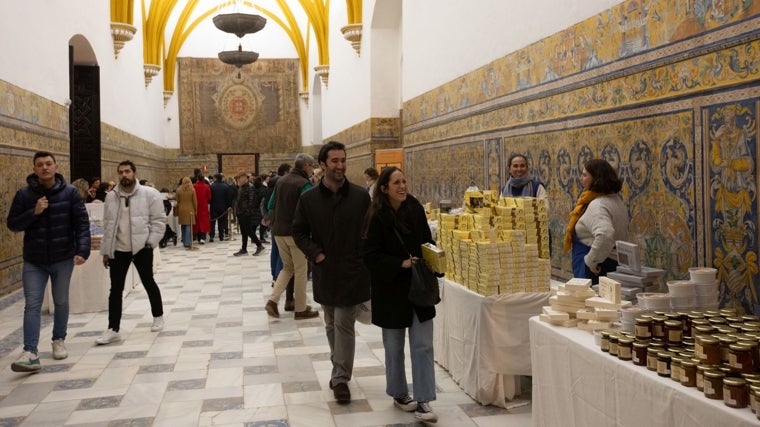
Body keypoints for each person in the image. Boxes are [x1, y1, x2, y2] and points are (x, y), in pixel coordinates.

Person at [292, 141, 371, 404]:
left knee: (343, 323)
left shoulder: (360, 196)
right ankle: (338, 366)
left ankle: (340, 379)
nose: (340, 166)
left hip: (352, 271)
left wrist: (361, 258)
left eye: (343, 160)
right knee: (329, 323)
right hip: (325, 270)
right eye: (335, 161)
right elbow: (299, 232)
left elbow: (369, 231)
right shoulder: (309, 199)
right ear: (322, 165)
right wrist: (316, 254)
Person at [362, 166, 439, 422]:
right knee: (394, 346)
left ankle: (424, 400)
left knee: (423, 345)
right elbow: (370, 256)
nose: (402, 186)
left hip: (419, 288)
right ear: (385, 188)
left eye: (404, 181)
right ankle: (399, 392)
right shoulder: (375, 216)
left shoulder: (415, 209)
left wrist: (434, 259)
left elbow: (427, 241)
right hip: (390, 290)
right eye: (397, 183)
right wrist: (399, 264)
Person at [6, 151, 91, 372]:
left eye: (48, 164)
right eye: (40, 165)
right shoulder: (24, 195)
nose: (45, 168)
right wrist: (33, 212)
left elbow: (82, 224)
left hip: (63, 257)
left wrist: (83, 250)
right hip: (34, 260)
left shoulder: (71, 193)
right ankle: (30, 352)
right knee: (32, 305)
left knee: (60, 301)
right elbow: (13, 224)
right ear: (34, 169)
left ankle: (58, 339)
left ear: (56, 166)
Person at [96, 160, 166, 345]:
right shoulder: (111, 197)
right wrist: (106, 250)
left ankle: (158, 316)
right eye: (120, 172)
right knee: (116, 289)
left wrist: (150, 242)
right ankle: (113, 328)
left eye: (127, 171)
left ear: (134, 173)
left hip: (142, 246)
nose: (124, 175)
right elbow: (108, 225)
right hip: (119, 249)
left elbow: (159, 220)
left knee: (148, 281)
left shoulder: (150, 194)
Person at [265, 154, 318, 320]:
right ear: (306, 166)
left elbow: (270, 205)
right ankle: (300, 309)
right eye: (311, 166)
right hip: (296, 234)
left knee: (288, 268)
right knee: (301, 270)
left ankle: (273, 301)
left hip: (278, 232)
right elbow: (311, 208)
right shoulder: (304, 184)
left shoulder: (281, 181)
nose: (311, 169)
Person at [563, 158, 628, 284]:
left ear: (596, 178)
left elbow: (605, 234)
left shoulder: (598, 205)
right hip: (613, 262)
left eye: (585, 175)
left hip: (598, 269)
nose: (581, 178)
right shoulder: (615, 200)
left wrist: (591, 261)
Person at [233, 173, 265, 256]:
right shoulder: (241, 187)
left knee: (249, 231)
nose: (238, 180)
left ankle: (259, 245)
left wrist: (247, 212)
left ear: (244, 178)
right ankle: (244, 249)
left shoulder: (250, 187)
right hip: (241, 213)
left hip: (246, 213)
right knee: (244, 232)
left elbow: (252, 201)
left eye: (240, 178)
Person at [174, 177, 197, 249]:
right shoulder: (192, 190)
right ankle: (188, 242)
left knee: (183, 226)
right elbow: (194, 201)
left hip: (181, 209)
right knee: (188, 226)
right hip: (190, 209)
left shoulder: (178, 190)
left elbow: (177, 200)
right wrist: (196, 209)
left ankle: (184, 240)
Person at [209, 173, 233, 242]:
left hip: (214, 207)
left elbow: (210, 198)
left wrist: (211, 203)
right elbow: (228, 198)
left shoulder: (212, 186)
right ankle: (221, 236)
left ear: (216, 178)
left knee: (213, 222)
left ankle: (212, 236)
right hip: (223, 207)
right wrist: (229, 205)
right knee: (222, 222)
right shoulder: (225, 186)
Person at [192, 172, 211, 244]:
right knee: (204, 222)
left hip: (196, 206)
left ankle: (197, 236)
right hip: (204, 206)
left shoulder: (194, 186)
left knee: (197, 222)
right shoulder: (206, 186)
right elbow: (209, 197)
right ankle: (203, 237)